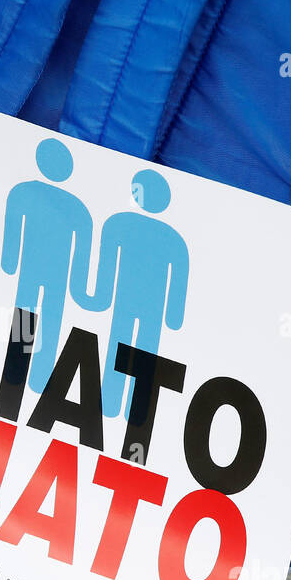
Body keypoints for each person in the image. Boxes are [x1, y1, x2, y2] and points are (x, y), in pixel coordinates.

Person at [87, 169, 190, 419]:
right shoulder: (173, 239)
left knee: (121, 346)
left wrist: (101, 296)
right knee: (142, 353)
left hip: (128, 302)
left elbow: (108, 264)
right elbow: (177, 280)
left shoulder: (120, 223)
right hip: (147, 308)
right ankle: (128, 410)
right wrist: (173, 318)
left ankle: (112, 404)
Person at [0, 138, 96, 394]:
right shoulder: (77, 207)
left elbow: (13, 231)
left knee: (30, 315)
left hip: (39, 272)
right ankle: (31, 375)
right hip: (51, 275)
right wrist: (80, 285)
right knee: (45, 318)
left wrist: (9, 263)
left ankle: (21, 373)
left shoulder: (24, 191)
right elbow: (83, 248)